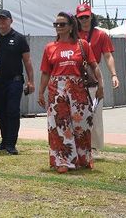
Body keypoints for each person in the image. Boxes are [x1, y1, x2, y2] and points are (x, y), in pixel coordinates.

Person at [38, 12, 103, 173]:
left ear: (71, 26)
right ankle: (63, 160)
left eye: (62, 24)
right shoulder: (50, 47)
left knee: (82, 124)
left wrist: (101, 86)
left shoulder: (82, 45)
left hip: (78, 88)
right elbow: (46, 72)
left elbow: (94, 66)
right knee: (59, 125)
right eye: (56, 24)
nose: (59, 27)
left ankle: (83, 158)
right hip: (56, 89)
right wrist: (40, 92)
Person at [75, 3, 119, 153]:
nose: (84, 20)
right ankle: (79, 145)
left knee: (95, 114)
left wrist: (114, 74)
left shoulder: (101, 35)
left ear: (91, 16)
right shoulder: (73, 35)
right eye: (81, 18)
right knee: (76, 114)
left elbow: (108, 55)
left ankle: (94, 147)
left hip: (93, 79)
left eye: (86, 16)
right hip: (75, 78)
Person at [0, 9, 34, 155]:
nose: (2, 22)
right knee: (1, 112)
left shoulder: (19, 38)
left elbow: (27, 61)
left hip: (14, 81)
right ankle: (4, 140)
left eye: (5, 19)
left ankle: (11, 143)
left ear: (10, 21)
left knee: (13, 111)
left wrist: (31, 81)